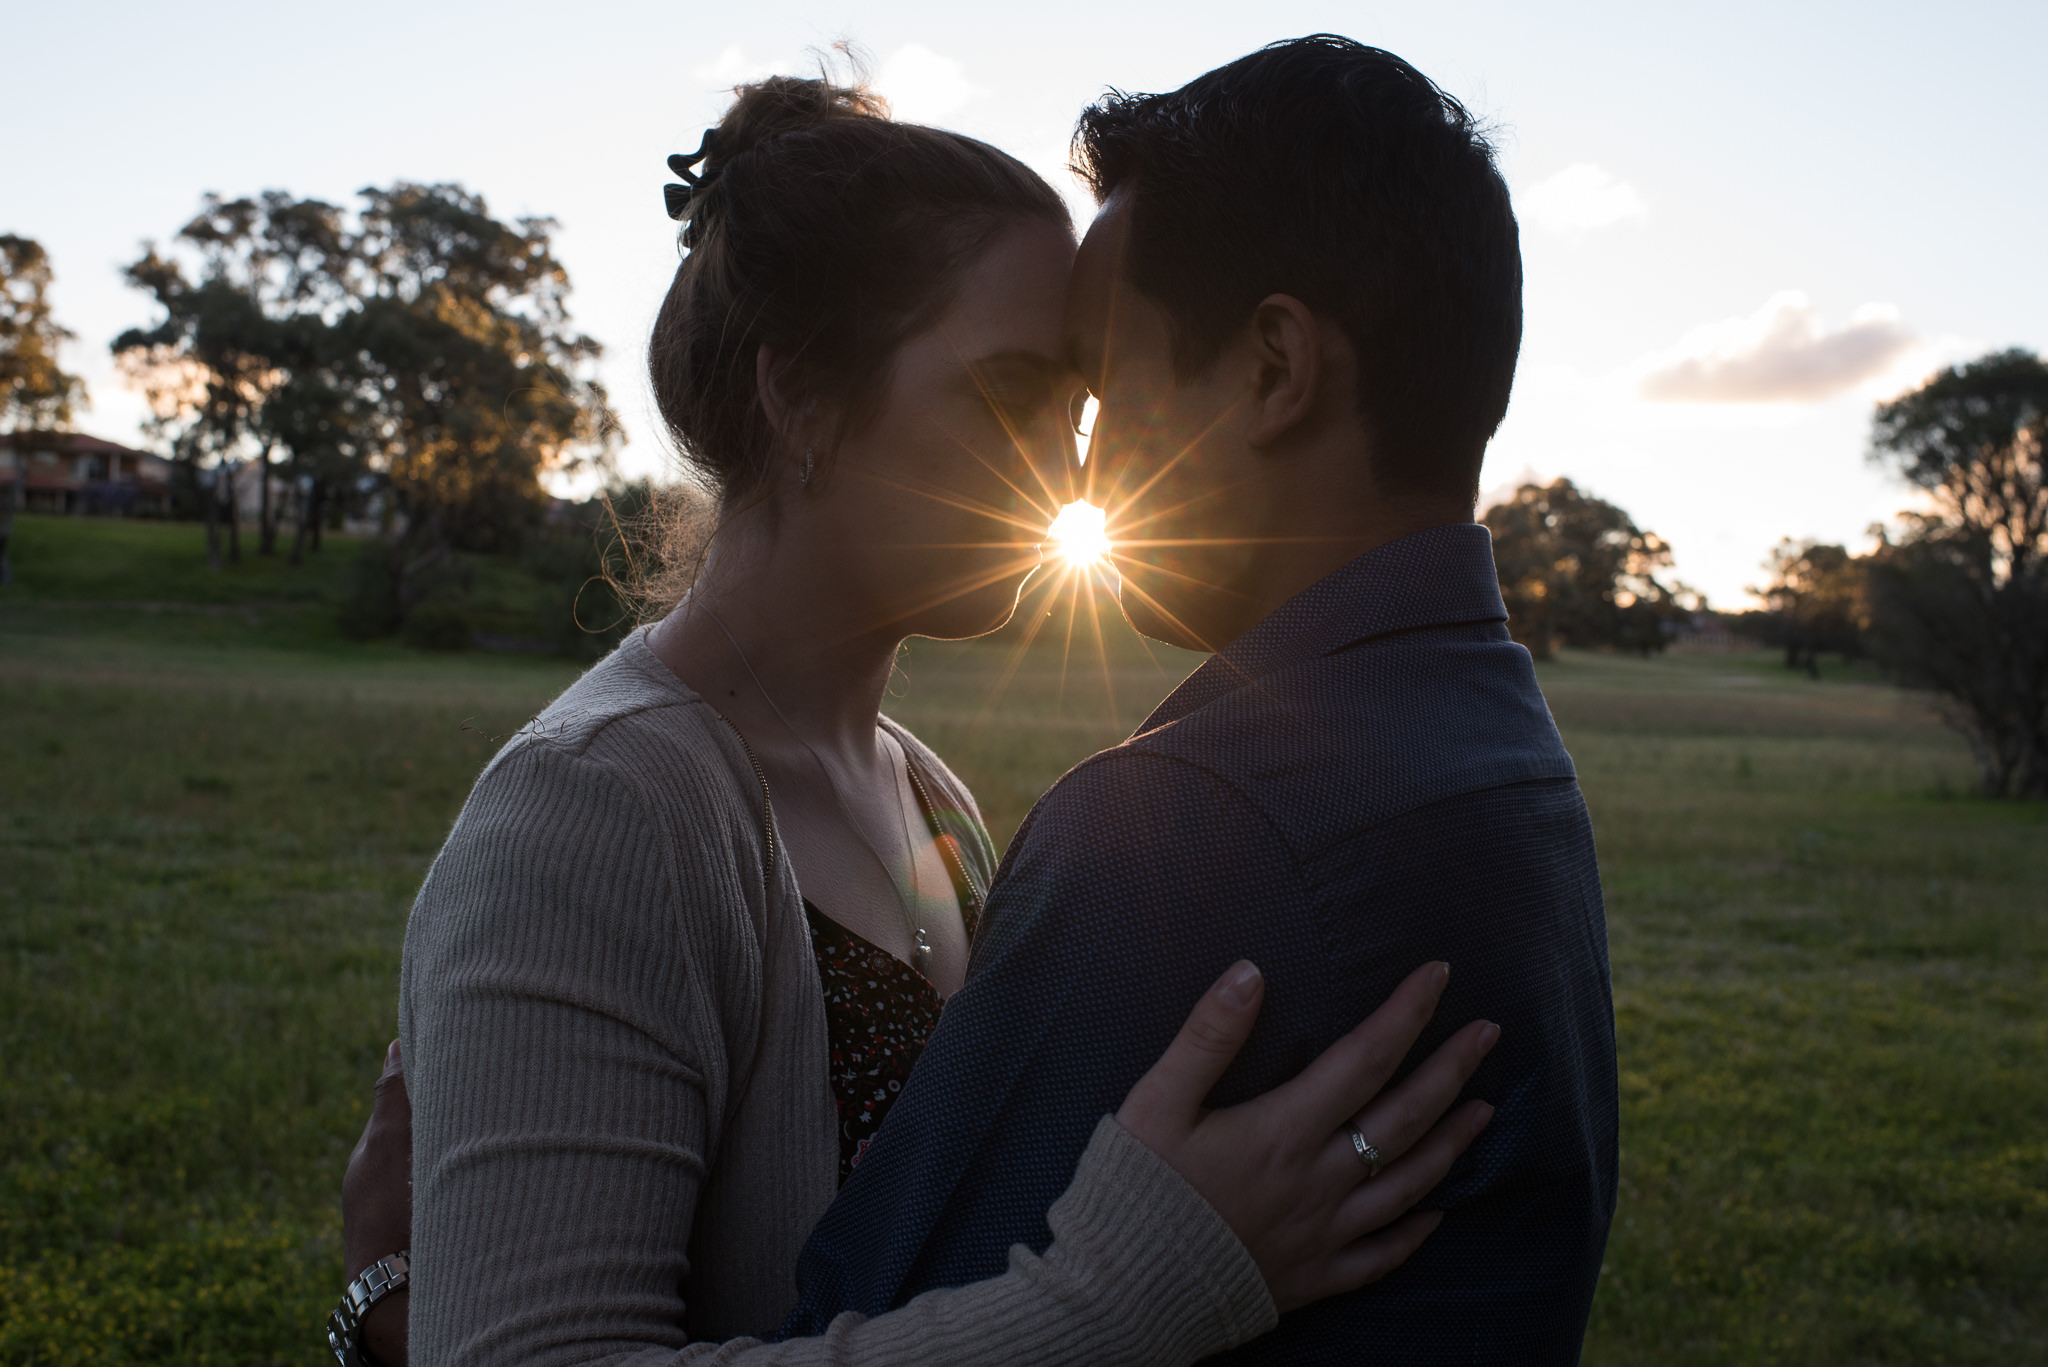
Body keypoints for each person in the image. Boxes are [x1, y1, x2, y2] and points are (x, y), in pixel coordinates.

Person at [336, 66, 1500, 1367]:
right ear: (803, 401)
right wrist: (1126, 1302)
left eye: (1076, 406)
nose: (1069, 475)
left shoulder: (929, 798)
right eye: (1010, 398)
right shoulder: (597, 803)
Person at [781, 37, 1619, 1364]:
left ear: (1276, 369)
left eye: (1108, 391)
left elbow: (852, 1318)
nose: (1084, 467)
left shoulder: (1197, 820)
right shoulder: (1509, 760)